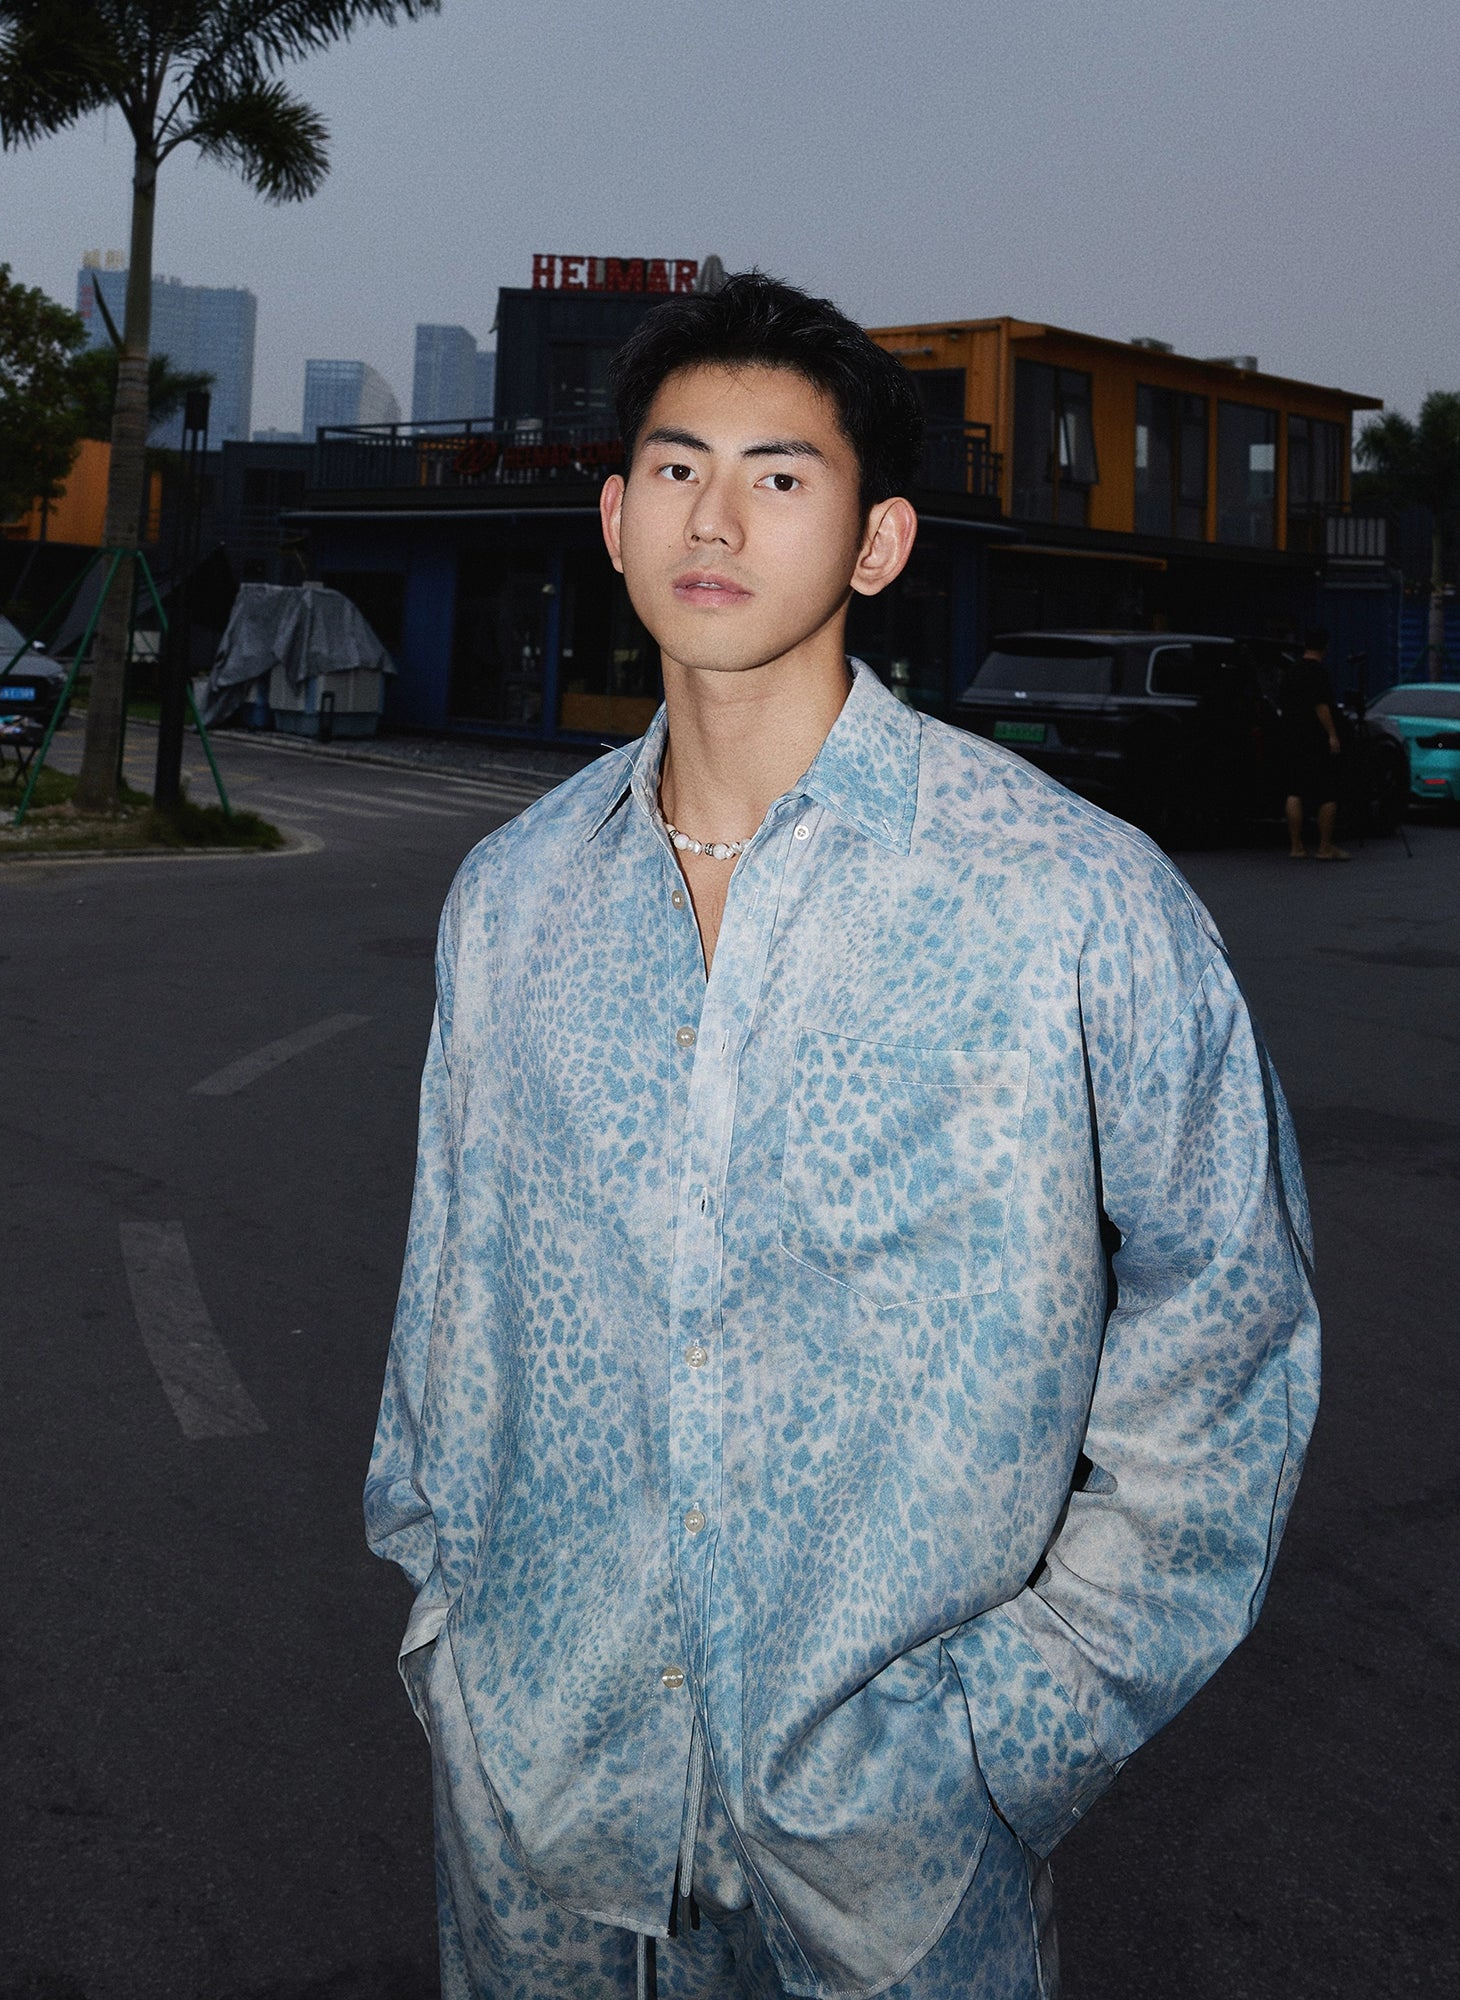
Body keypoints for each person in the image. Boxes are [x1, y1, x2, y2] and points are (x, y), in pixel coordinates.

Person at [365, 275, 1320, 2000]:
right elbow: (452, 1292)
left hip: (894, 1868)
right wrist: (453, 1625)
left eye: (781, 476)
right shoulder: (513, 897)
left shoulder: (1066, 897)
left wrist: (1008, 1733)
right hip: (539, 1818)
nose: (716, 519)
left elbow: (1228, 1335)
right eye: (677, 469)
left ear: (878, 543)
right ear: (615, 518)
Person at [1280, 628, 1348, 859]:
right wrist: (1332, 734)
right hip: (1315, 738)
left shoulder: (1291, 670)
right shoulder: (1319, 673)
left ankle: (1296, 845)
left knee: (1294, 791)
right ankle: (1325, 847)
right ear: (1325, 647)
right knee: (1327, 793)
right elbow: (1321, 706)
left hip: (1293, 737)